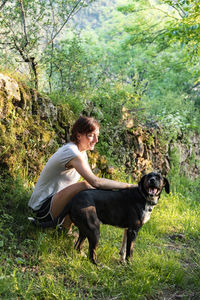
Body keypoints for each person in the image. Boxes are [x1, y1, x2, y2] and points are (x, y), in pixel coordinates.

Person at [28, 115, 132, 231]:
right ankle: (66, 228)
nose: (96, 140)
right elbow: (95, 182)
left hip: (54, 203)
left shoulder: (82, 153)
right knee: (84, 186)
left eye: (97, 136)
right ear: (78, 135)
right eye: (91, 135)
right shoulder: (72, 153)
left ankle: (65, 229)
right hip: (41, 209)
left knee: (86, 191)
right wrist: (128, 186)